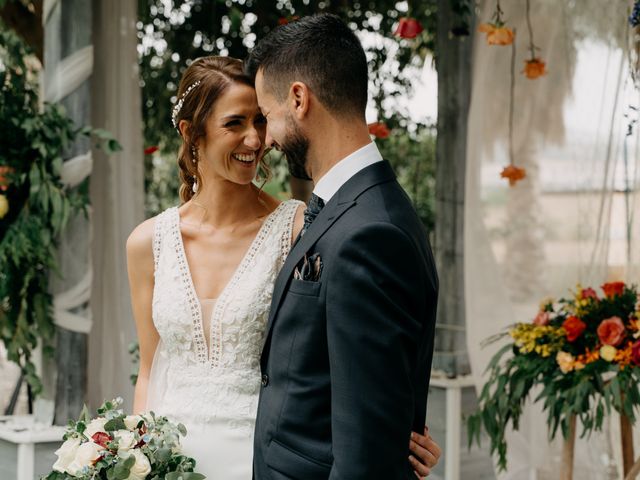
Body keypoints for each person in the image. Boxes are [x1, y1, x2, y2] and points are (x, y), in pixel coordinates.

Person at [126, 56, 440, 480]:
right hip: (170, 461)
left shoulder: (299, 228)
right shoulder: (148, 242)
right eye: (235, 123)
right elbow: (150, 368)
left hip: (261, 461)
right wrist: (134, 457)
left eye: (260, 120)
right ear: (191, 133)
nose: (255, 139)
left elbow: (347, 348)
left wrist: (391, 433)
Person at [246, 13, 439, 480]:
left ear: (298, 98)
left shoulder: (371, 234)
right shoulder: (353, 209)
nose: (267, 139)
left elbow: (366, 452)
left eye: (268, 117)